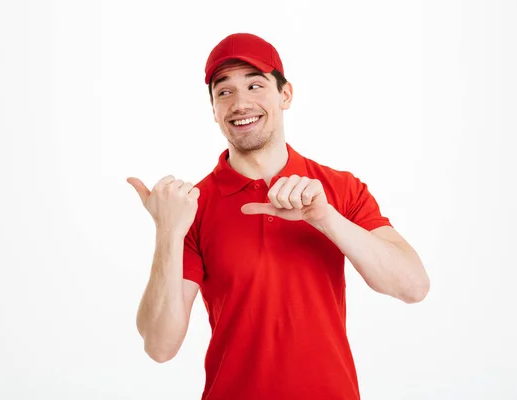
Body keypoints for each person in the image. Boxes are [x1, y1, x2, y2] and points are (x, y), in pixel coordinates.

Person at [127, 32, 430, 400]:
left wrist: (326, 219)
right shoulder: (194, 205)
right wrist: (167, 234)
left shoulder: (341, 188)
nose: (240, 103)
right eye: (224, 92)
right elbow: (160, 346)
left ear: (285, 95)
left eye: (255, 85)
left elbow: (413, 287)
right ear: (213, 110)